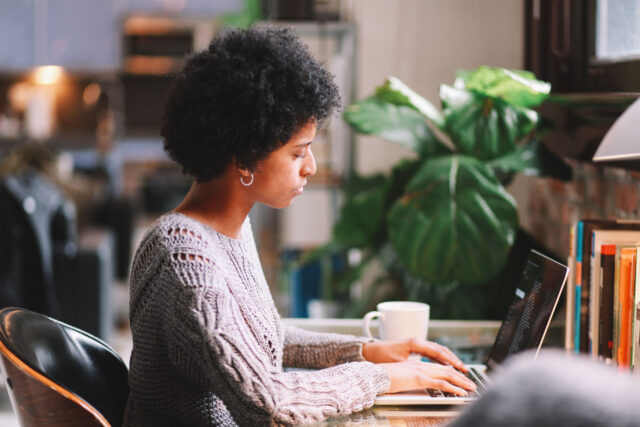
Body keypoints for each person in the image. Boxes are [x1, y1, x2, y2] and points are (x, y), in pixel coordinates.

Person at [124, 26, 476, 426]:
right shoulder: (185, 260)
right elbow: (270, 405)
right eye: (298, 153)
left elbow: (262, 340)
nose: (309, 167)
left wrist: (367, 351)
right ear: (244, 157)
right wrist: (382, 378)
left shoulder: (224, 230)